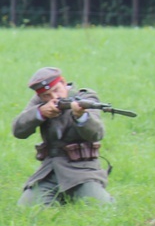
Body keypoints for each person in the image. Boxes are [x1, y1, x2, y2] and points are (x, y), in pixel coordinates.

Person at [12, 67, 113, 206]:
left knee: (101, 206)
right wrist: (40, 113)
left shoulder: (86, 98)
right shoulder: (38, 103)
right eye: (46, 95)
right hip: (49, 172)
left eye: (56, 90)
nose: (54, 98)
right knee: (26, 207)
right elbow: (18, 130)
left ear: (63, 82)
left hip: (83, 171)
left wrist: (81, 116)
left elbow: (97, 133)